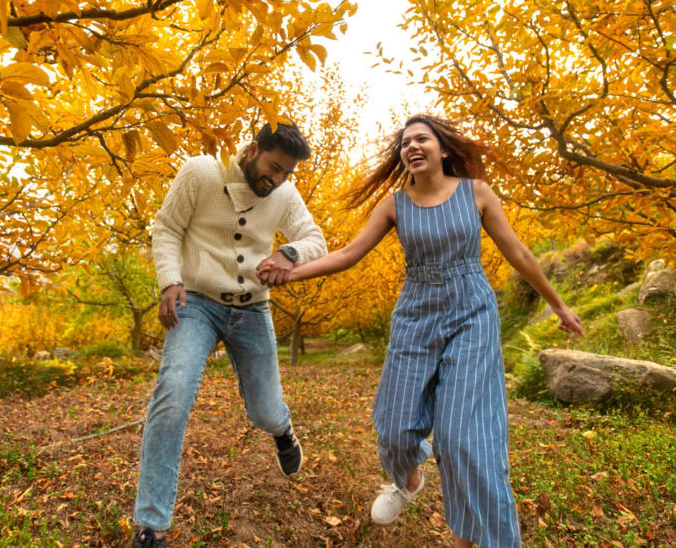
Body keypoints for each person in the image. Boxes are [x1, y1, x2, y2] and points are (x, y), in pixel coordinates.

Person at [268, 115, 583, 547]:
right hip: (416, 315)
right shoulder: (395, 205)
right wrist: (291, 271)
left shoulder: (477, 194)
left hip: (471, 311)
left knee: (461, 439)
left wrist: (559, 305)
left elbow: (520, 254)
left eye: (422, 139)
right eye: (404, 142)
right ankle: (409, 479)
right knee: (394, 429)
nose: (411, 146)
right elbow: (348, 254)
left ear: (445, 149)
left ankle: (477, 537)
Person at [131, 122, 327, 548]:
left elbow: (316, 240)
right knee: (173, 395)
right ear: (253, 149)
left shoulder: (284, 195)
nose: (276, 180)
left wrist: (286, 252)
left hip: (252, 308)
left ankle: (283, 431)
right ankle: (151, 526)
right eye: (273, 167)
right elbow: (166, 228)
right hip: (197, 302)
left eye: (286, 174)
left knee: (265, 413)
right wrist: (169, 280)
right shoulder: (202, 171)